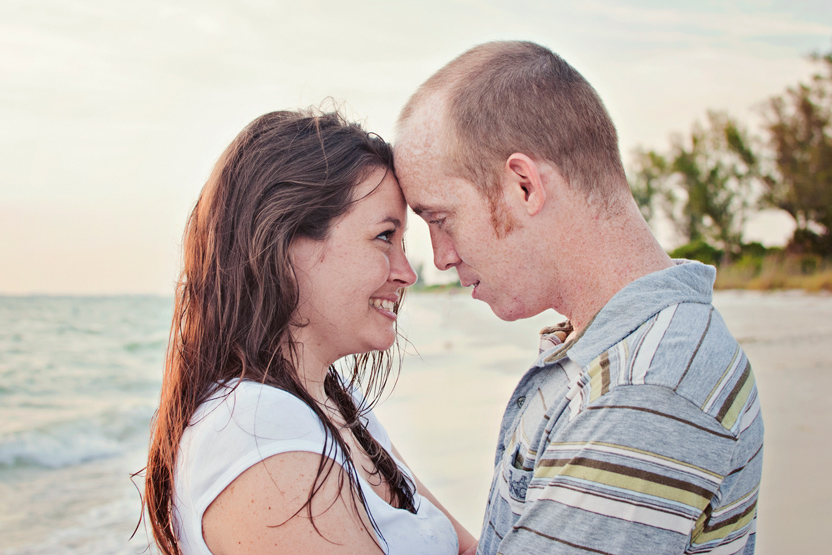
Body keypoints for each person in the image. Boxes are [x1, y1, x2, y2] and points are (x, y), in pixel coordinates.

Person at [394, 41, 763, 554]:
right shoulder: (623, 352)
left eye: (440, 219)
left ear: (523, 185)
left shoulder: (644, 386)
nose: (439, 257)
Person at [144, 109, 477, 555]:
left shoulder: (337, 405)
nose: (406, 273)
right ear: (285, 245)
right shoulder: (257, 430)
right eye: (384, 237)